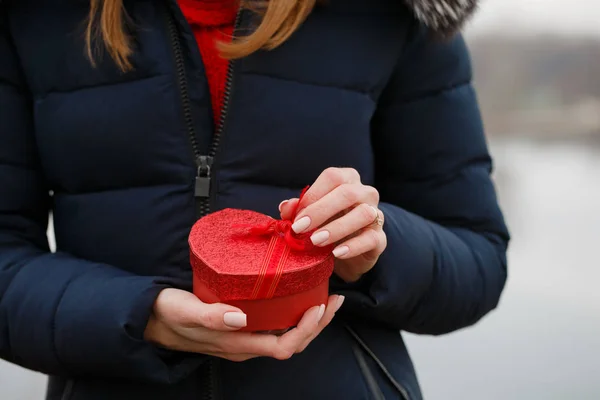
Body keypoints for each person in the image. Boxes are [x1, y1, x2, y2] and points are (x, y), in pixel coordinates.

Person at [0, 0, 509, 399]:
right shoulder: (28, 16)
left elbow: (478, 260)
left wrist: (378, 248)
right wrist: (137, 315)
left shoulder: (395, 12)